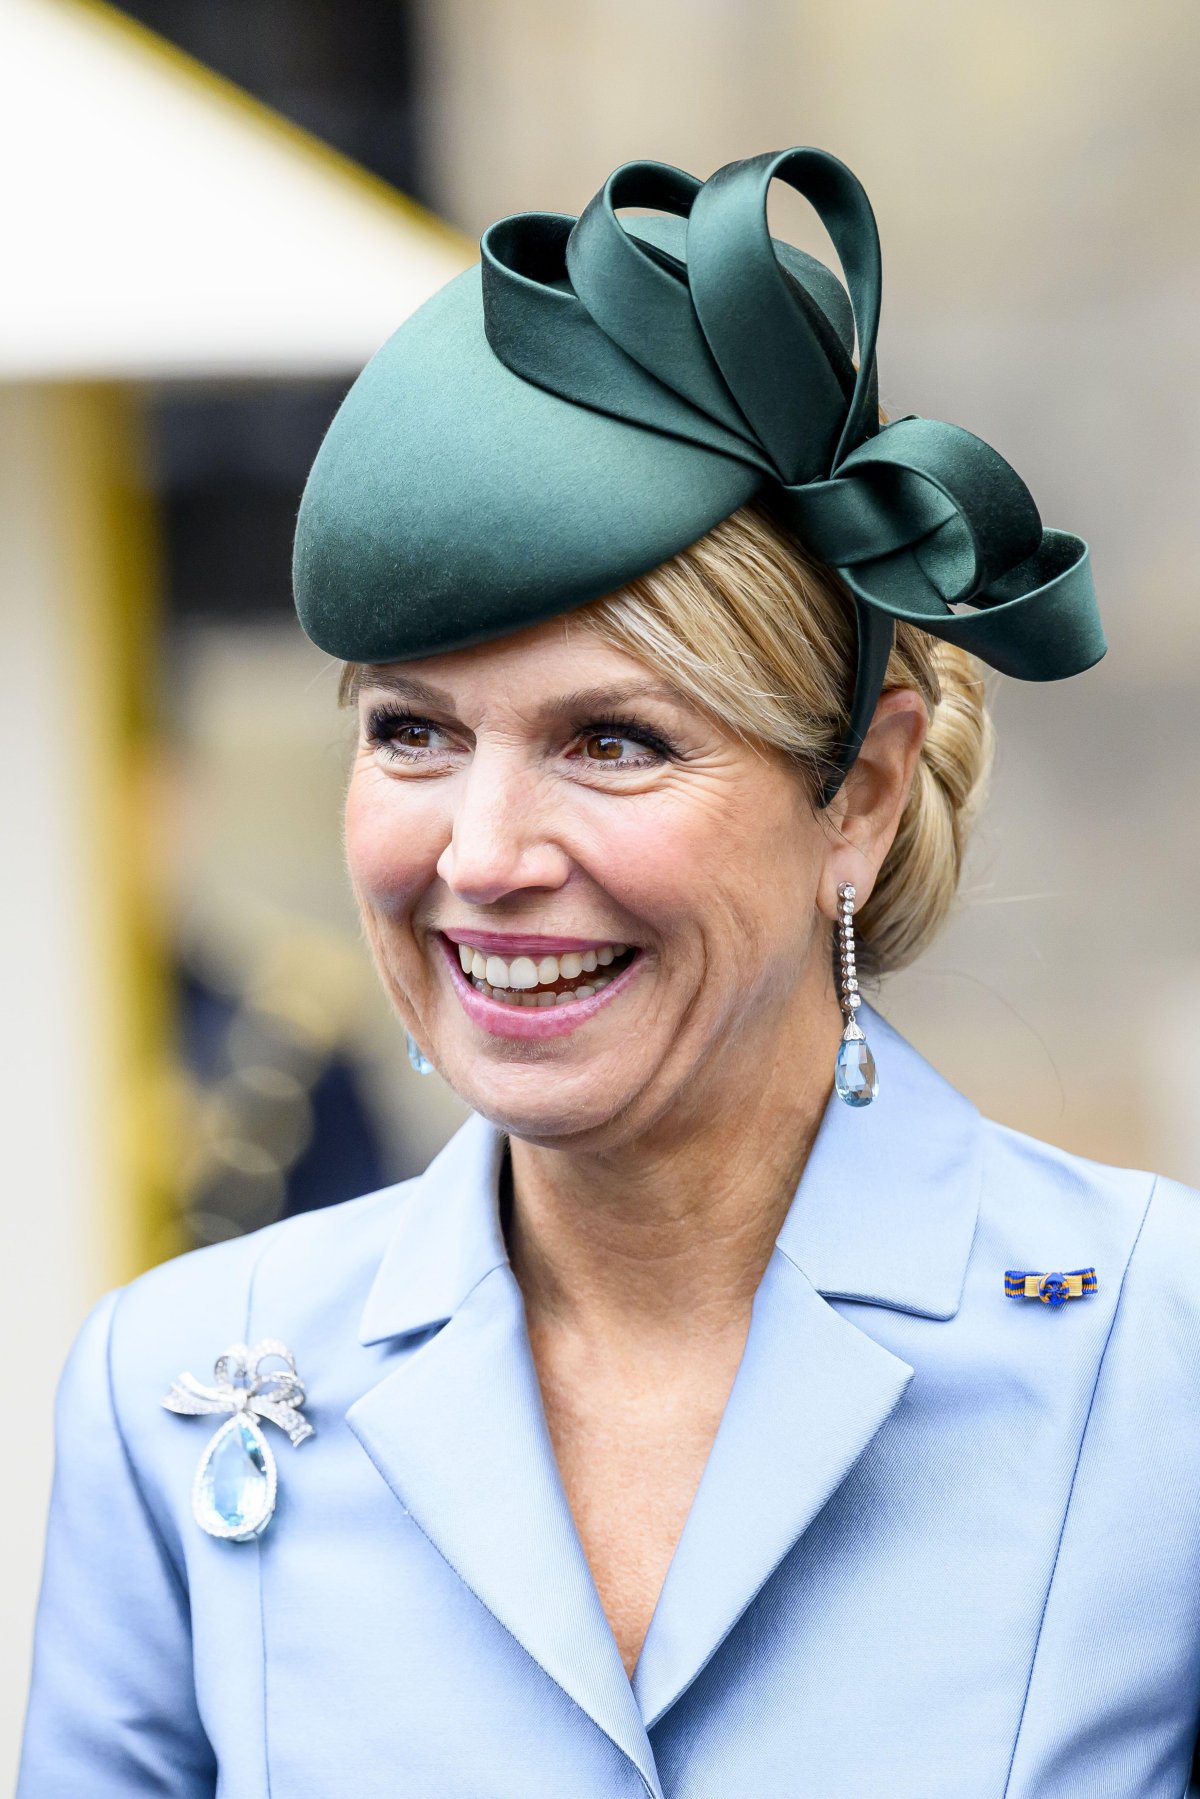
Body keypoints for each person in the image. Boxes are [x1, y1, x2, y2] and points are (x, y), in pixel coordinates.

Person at [18, 144, 1200, 1799]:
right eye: (412, 732)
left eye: (615, 742)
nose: (484, 853)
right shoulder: (180, 1385)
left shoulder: (1162, 1353)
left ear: (852, 794)